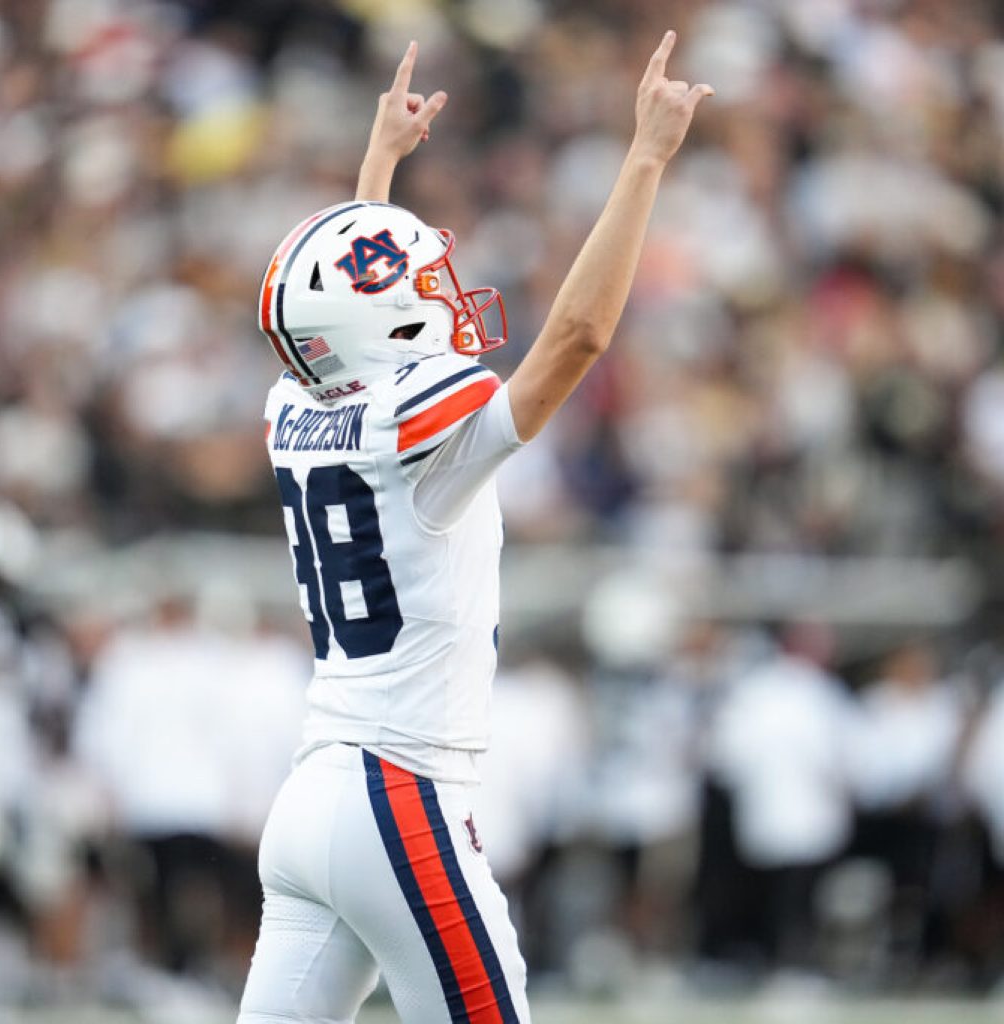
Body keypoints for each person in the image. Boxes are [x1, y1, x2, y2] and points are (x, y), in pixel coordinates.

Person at [238, 33, 713, 1024]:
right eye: (421, 291)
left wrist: (378, 170)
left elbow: (337, 320)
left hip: (314, 792)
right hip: (399, 797)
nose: (443, 299)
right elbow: (577, 338)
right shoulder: (412, 426)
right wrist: (645, 158)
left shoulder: (295, 404)